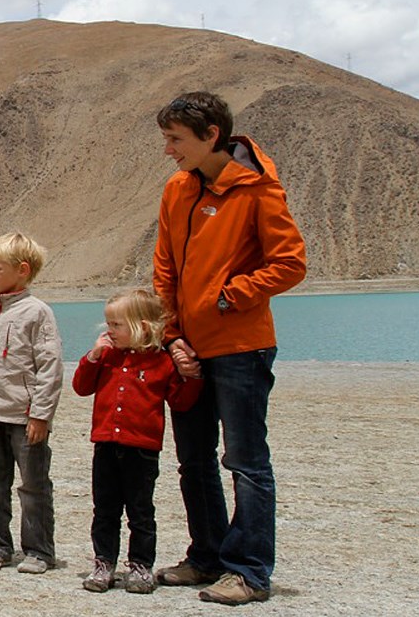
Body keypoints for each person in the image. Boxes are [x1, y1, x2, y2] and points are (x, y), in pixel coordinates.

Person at [151, 92, 307, 605]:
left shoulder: (258, 188)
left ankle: (249, 572)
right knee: (192, 460)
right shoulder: (177, 189)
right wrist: (172, 336)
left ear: (210, 134)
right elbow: (165, 270)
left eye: (176, 139)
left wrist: (229, 296)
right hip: (189, 350)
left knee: (244, 460)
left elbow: (290, 263)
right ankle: (207, 557)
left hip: (242, 346)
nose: (169, 149)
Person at [73, 289, 202, 594]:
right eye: (108, 324)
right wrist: (92, 356)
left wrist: (192, 378)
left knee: (140, 512)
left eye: (117, 325)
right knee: (104, 509)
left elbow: (181, 402)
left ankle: (141, 566)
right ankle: (104, 563)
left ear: (142, 327)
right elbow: (81, 386)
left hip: (142, 450)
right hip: (105, 445)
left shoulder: (162, 363)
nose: (109, 331)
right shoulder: (106, 357)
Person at [0, 232, 62, 574]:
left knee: (33, 486)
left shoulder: (38, 313)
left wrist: (41, 414)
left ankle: (39, 551)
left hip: (25, 416)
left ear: (22, 270)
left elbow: (50, 367)